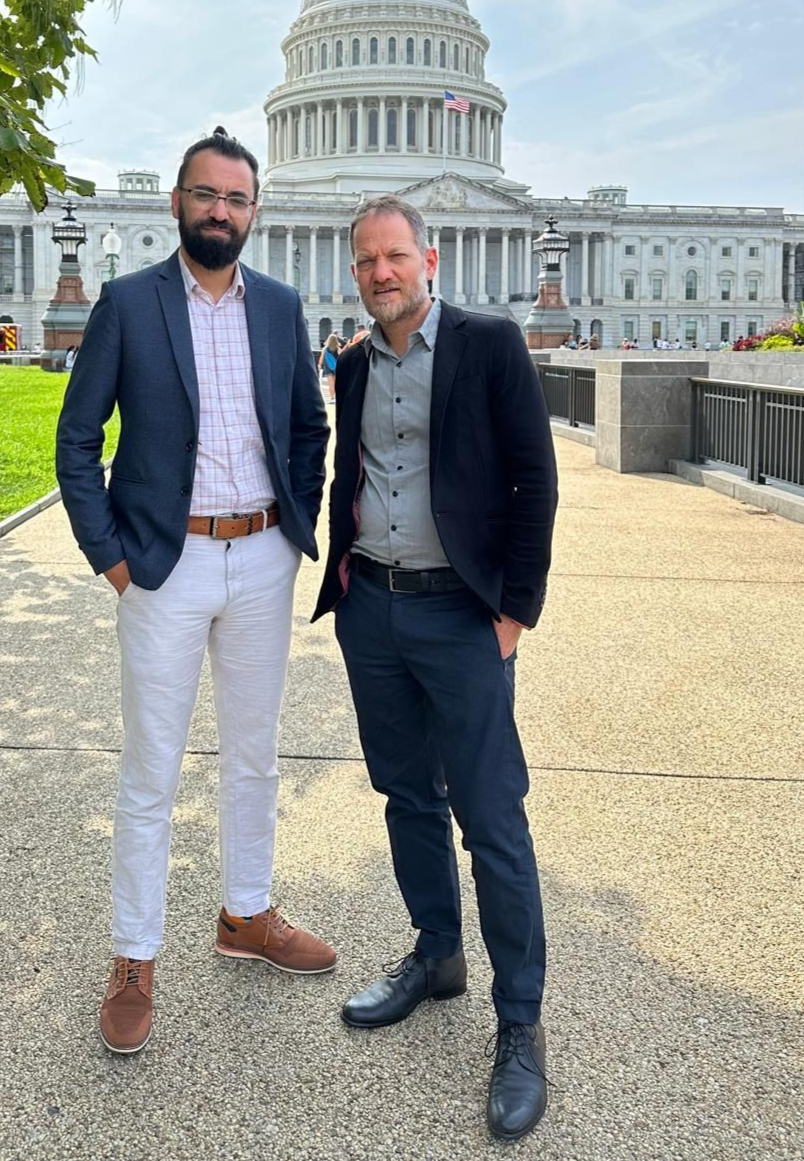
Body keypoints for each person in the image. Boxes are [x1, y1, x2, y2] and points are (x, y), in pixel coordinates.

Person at [56, 127, 335, 1057]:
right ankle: (135, 956)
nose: (222, 211)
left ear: (255, 211)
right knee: (152, 771)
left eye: (237, 199)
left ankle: (246, 915)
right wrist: (111, 557)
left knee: (254, 755)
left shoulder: (280, 306)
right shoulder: (129, 304)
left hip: (261, 558)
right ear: (177, 203)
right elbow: (78, 438)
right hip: (163, 567)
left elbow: (308, 424)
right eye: (207, 195)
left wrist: (295, 529)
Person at [312, 194, 558, 1143]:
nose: (381, 272)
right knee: (406, 796)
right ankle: (437, 953)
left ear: (430, 259)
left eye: (395, 257)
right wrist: (342, 563)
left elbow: (535, 480)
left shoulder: (492, 345)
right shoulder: (354, 362)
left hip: (463, 615)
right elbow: (354, 474)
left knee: (491, 815)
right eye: (366, 260)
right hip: (373, 607)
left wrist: (514, 612)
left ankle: (520, 1023)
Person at [318, 331, 341, 402]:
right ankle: (337, 397)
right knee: (337, 384)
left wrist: (319, 365)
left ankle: (332, 398)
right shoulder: (338, 349)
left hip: (328, 368)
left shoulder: (325, 349)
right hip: (337, 368)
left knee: (331, 384)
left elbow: (321, 359)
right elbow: (341, 357)